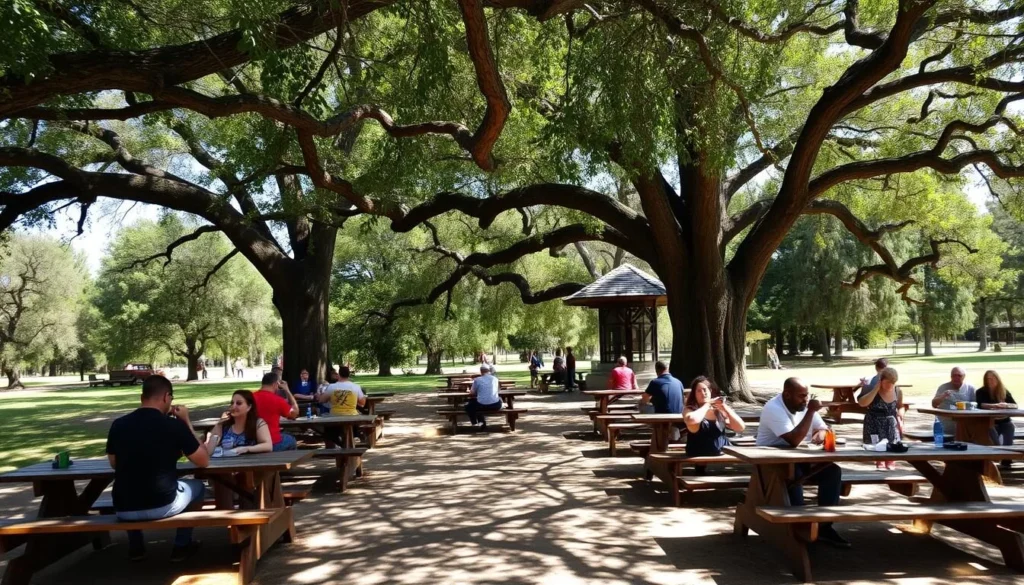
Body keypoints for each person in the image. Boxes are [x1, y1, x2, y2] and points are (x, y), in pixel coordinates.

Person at [105, 375, 210, 562]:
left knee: (133, 485)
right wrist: (186, 421)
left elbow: (114, 463)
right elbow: (203, 461)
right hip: (162, 504)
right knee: (199, 487)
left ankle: (136, 547)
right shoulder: (173, 425)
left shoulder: (118, 425)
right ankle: (182, 545)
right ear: (166, 397)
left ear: (141, 397)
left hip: (122, 507)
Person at [756, 378, 849, 548]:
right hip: (770, 462)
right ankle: (799, 526)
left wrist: (819, 434)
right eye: (801, 396)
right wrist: (811, 411)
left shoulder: (803, 406)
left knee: (832, 471)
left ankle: (824, 525)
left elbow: (823, 428)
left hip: (800, 458)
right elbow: (793, 440)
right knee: (794, 474)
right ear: (787, 394)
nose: (805, 400)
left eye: (807, 396)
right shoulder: (773, 408)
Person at [683, 375, 745, 467]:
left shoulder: (718, 410)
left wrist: (725, 408)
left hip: (723, 450)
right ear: (694, 394)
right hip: (699, 452)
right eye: (698, 391)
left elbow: (740, 427)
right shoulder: (690, 409)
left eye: (705, 390)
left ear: (710, 391)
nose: (703, 393)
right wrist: (707, 404)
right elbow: (692, 420)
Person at [857, 366, 902, 470]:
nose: (890, 386)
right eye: (887, 383)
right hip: (874, 422)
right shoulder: (871, 387)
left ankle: (890, 462)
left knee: (891, 445)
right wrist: (876, 389)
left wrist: (900, 414)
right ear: (881, 380)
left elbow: (900, 405)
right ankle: (879, 462)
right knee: (877, 447)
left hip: (890, 423)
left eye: (892, 383)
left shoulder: (897, 390)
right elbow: (862, 403)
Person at [204, 390, 273, 455]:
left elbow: (268, 446)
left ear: (249, 407)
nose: (233, 406)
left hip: (251, 465)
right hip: (226, 464)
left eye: (239, 403)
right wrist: (217, 427)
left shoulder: (258, 423)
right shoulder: (223, 425)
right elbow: (209, 452)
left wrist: (246, 449)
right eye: (232, 403)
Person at [978, 370, 1017, 469]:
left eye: (992, 378)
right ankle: (1002, 454)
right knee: (991, 431)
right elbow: (980, 404)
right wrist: (995, 405)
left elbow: (1015, 405)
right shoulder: (981, 391)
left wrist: (1006, 405)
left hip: (1005, 420)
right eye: (988, 379)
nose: (990, 381)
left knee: (1010, 426)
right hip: (990, 422)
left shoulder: (1003, 391)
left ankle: (1007, 459)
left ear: (997, 379)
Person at [252, 371, 299, 451]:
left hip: (252, 441)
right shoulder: (277, 400)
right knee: (291, 440)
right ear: (275, 384)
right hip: (272, 441)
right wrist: (287, 390)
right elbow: (294, 413)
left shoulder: (250, 398)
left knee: (286, 435)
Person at [931, 366, 976, 436]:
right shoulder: (943, 388)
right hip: (944, 427)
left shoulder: (970, 389)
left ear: (964, 376)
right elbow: (934, 404)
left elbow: (975, 406)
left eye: (959, 375)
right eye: (954, 375)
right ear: (951, 376)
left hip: (964, 427)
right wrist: (942, 396)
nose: (956, 378)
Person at [466, 364, 502, 428]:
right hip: (496, 405)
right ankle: (481, 423)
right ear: (489, 370)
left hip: (482, 405)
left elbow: (472, 393)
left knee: (469, 406)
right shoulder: (495, 379)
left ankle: (475, 422)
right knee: (499, 400)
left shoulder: (477, 380)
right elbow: (498, 390)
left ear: (481, 371)